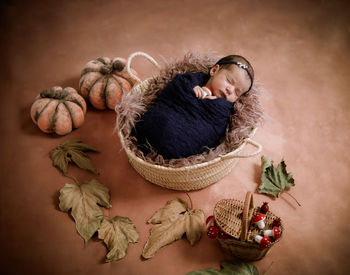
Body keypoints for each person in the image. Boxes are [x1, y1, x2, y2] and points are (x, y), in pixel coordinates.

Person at [132, 54, 255, 159]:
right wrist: (191, 90)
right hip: (168, 115)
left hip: (184, 141)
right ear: (214, 71)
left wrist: (215, 105)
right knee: (160, 121)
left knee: (176, 139)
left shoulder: (224, 109)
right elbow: (175, 88)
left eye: (237, 92)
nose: (230, 90)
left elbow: (218, 127)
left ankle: (170, 148)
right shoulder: (191, 80)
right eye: (229, 81)